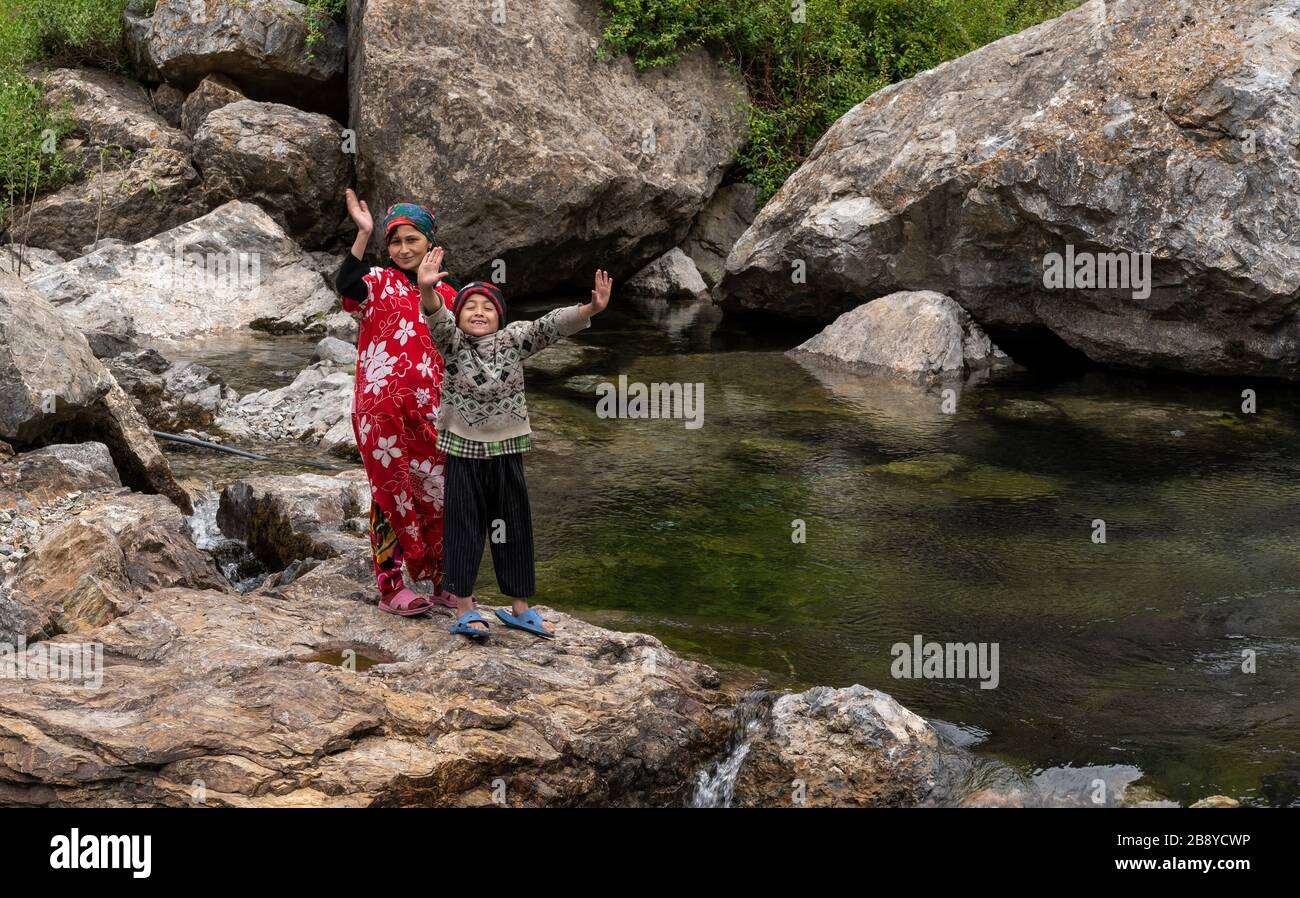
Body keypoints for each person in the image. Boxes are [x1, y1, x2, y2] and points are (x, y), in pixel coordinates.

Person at [415, 246, 612, 639]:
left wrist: (589, 310)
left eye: (487, 307)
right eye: (469, 306)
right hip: (463, 453)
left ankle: (520, 608)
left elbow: (550, 326)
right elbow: (436, 318)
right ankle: (466, 609)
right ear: (459, 316)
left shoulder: (514, 341)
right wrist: (426, 290)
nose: (478, 313)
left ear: (500, 317)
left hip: (506, 452)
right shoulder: (452, 345)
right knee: (464, 529)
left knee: (514, 528)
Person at [334, 189, 461, 616]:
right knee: (390, 494)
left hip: (433, 414)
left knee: (441, 493)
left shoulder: (450, 294)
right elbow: (344, 285)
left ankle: (446, 582)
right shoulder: (375, 281)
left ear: (431, 243)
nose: (404, 249)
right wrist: (363, 232)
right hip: (380, 412)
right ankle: (390, 587)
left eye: (413, 240)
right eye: (395, 241)